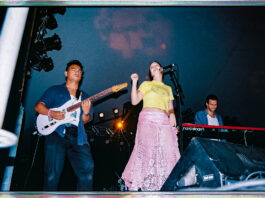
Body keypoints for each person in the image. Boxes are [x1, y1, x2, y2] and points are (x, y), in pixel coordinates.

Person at [35, 60, 94, 191]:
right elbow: (38, 107)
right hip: (57, 133)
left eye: (80, 71)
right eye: (74, 69)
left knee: (87, 172)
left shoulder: (86, 97)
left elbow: (85, 120)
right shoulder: (55, 90)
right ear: (66, 73)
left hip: (78, 136)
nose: (77, 72)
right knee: (51, 175)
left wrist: (86, 112)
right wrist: (51, 113)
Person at [121, 61, 181, 191]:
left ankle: (165, 185)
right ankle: (142, 186)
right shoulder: (146, 84)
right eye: (151, 67)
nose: (153, 67)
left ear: (161, 69)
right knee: (147, 151)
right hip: (148, 118)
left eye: (156, 65)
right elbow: (134, 101)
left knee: (168, 151)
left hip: (164, 120)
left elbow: (170, 108)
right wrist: (135, 82)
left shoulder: (168, 88)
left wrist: (172, 115)